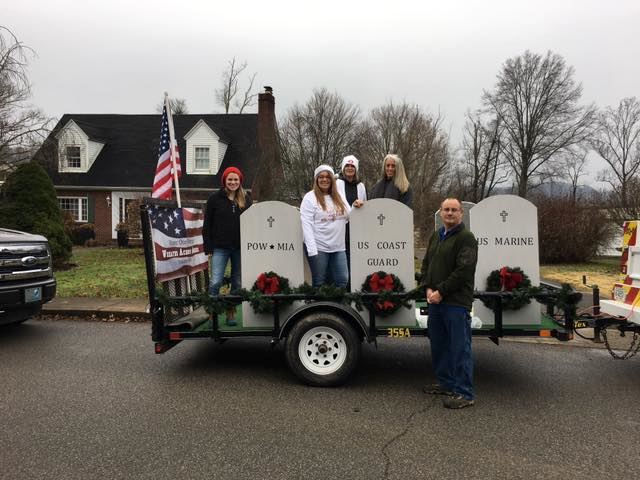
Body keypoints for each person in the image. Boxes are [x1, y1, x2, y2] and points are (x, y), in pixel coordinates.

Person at [421, 198, 478, 409]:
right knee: (439, 345)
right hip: (435, 300)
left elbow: (463, 271)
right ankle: (446, 383)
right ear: (441, 212)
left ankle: (464, 392)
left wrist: (441, 292)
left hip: (455, 302)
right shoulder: (437, 235)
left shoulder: (466, 238)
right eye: (446, 210)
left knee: (459, 348)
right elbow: (427, 263)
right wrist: (427, 287)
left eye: (454, 210)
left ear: (461, 213)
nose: (450, 213)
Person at [203, 166, 252, 326]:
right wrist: (208, 247)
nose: (233, 182)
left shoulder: (246, 198)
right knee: (216, 281)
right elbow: (207, 224)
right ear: (224, 180)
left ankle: (231, 312)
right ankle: (212, 314)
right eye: (230, 179)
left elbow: (253, 221)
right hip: (220, 247)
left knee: (237, 282)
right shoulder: (214, 199)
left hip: (239, 248)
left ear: (240, 181)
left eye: (236, 179)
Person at [300, 165, 350, 288]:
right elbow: (306, 224)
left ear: (332, 180)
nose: (324, 180)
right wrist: (312, 250)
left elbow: (348, 215)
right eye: (321, 177)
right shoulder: (310, 198)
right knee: (319, 282)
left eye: (328, 177)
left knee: (342, 280)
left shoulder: (338, 196)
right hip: (319, 248)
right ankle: (320, 307)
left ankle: (337, 307)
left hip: (338, 247)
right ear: (316, 180)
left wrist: (357, 205)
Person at [336, 155, 366, 286]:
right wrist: (352, 208)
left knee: (356, 265)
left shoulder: (361, 186)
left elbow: (365, 205)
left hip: (357, 231)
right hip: (341, 230)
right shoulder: (337, 183)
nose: (349, 168)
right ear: (343, 168)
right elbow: (337, 204)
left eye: (352, 166)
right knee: (344, 268)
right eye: (347, 166)